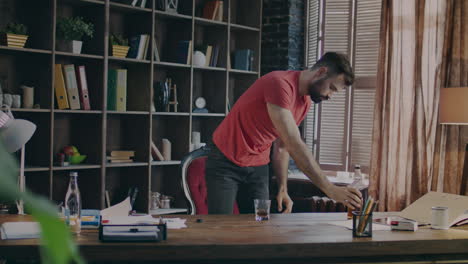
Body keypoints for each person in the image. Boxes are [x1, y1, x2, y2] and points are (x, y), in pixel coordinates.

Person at [206, 52, 362, 214]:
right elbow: (294, 142)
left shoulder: (304, 102)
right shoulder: (279, 84)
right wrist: (330, 189)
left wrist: (282, 188)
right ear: (321, 72)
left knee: (260, 222)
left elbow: (283, 147)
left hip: (258, 166)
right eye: (331, 88)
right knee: (219, 225)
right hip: (225, 161)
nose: (330, 95)